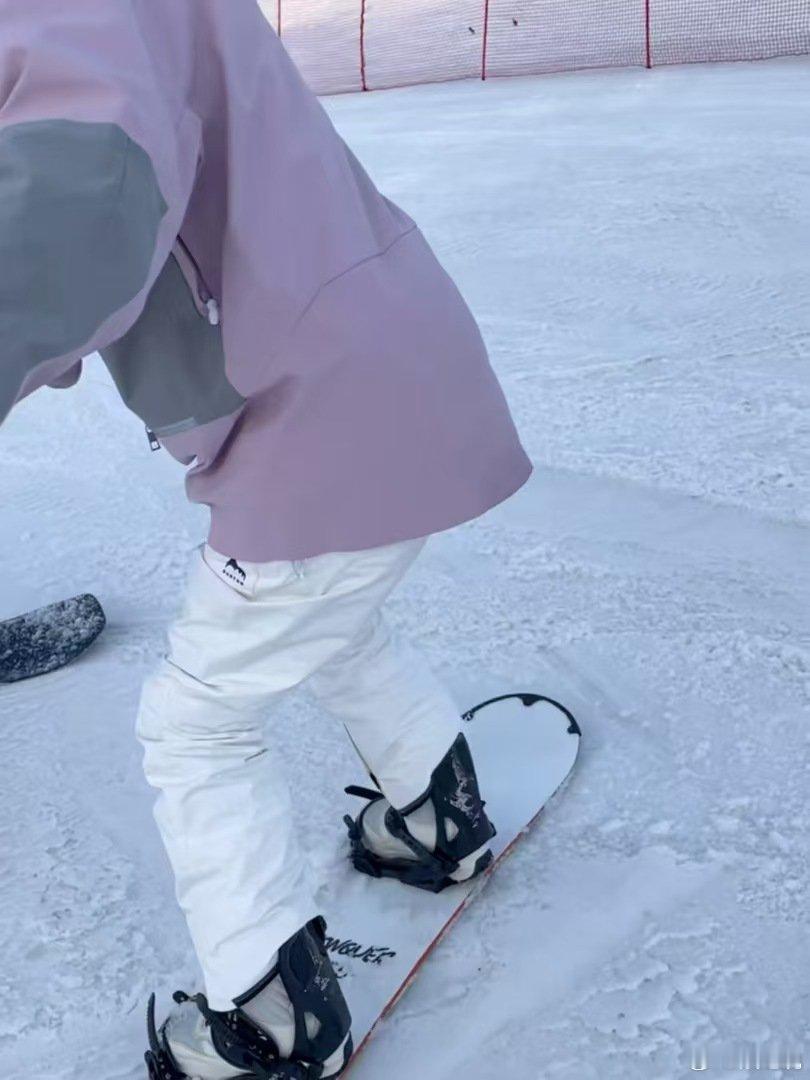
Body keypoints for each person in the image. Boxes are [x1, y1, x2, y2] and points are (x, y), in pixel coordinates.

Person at [0, 3, 531, 1076]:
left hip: (317, 409)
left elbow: (81, 199)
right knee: (328, 621)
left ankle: (268, 1018)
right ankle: (436, 813)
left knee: (196, 723)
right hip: (392, 362)